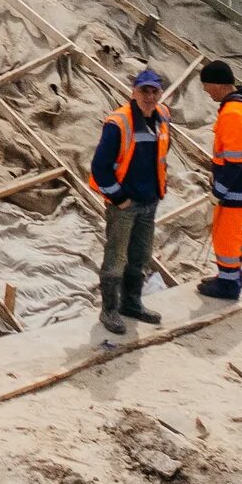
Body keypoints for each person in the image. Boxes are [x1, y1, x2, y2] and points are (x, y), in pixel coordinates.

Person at [89, 67, 171, 344]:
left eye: (154, 91)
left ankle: (131, 303)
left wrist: (158, 189)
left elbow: (161, 155)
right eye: (143, 90)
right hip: (125, 204)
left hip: (149, 201)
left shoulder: (162, 118)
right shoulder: (119, 123)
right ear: (133, 92)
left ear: (160, 93)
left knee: (140, 257)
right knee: (115, 259)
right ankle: (109, 310)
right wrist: (119, 198)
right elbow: (100, 168)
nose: (149, 96)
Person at [197, 59, 242, 300]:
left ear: (217, 85)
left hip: (238, 187)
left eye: (207, 86)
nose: (206, 92)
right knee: (229, 232)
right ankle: (229, 276)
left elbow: (234, 161)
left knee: (226, 234)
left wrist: (219, 190)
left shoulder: (233, 114)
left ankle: (228, 285)